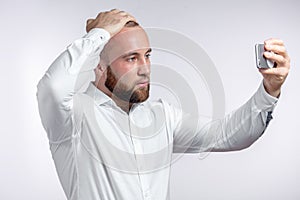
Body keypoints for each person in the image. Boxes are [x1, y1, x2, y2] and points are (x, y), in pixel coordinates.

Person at [37, 9, 290, 200]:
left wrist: (270, 89)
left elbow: (227, 135)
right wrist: (99, 35)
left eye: (147, 56)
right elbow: (52, 88)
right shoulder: (73, 117)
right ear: (100, 66)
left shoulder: (161, 116)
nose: (145, 69)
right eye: (131, 58)